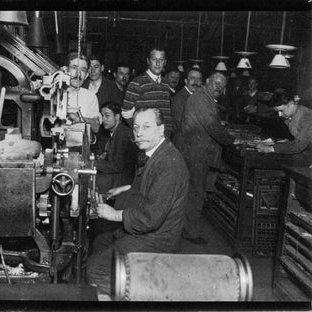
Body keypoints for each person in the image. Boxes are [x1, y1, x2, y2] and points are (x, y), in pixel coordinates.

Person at [87, 107, 189, 299]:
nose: (139, 133)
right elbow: (148, 187)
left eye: (146, 127)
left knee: (95, 269)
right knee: (99, 241)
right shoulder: (156, 154)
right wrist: (125, 188)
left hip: (157, 239)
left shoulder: (169, 164)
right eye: (136, 127)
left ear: (161, 129)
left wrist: (114, 214)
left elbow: (149, 218)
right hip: (148, 232)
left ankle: (132, 297)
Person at [175, 72, 236, 245]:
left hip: (195, 152)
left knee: (193, 192)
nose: (219, 88)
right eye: (216, 83)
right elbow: (211, 126)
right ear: (207, 81)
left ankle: (186, 229)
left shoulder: (204, 98)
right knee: (195, 193)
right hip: (195, 153)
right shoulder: (201, 98)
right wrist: (233, 140)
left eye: (222, 86)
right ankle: (191, 233)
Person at [92, 101, 138, 236]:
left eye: (107, 116)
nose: (103, 119)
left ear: (118, 117)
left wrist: (94, 163)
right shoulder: (116, 132)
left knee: (95, 182)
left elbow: (116, 166)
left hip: (125, 179)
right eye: (102, 115)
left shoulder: (123, 134)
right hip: (121, 174)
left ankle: (99, 226)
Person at [122, 46, 173, 139]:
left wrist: (167, 135)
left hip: (163, 137)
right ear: (148, 61)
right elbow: (126, 113)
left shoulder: (165, 83)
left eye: (161, 60)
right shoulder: (137, 83)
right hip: (146, 139)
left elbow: (166, 113)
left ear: (165, 62)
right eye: (154, 59)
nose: (157, 63)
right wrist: (140, 131)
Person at [256, 94, 312, 165]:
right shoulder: (290, 116)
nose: (280, 114)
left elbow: (299, 145)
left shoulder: (307, 117)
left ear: (291, 104)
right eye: (278, 111)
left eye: (282, 110)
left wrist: (271, 149)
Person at [82, 55, 120, 155]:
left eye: (96, 66)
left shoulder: (111, 87)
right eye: (89, 67)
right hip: (84, 135)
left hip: (105, 136)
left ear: (102, 68)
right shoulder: (81, 85)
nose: (92, 70)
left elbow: (116, 114)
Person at [65, 52, 101, 134]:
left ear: (86, 75)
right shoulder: (55, 92)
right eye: (74, 68)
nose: (78, 74)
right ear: (66, 70)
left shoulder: (90, 97)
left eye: (83, 70)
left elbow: (96, 127)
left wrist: (78, 119)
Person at [171, 68, 202, 137]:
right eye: (192, 78)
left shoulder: (197, 97)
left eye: (199, 79)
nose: (196, 82)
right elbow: (182, 127)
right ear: (185, 81)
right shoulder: (180, 99)